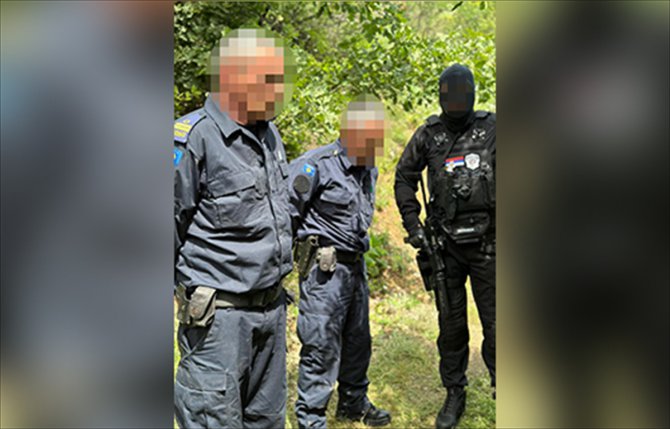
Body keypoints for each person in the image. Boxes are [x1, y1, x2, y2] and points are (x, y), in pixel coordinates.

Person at [173, 28, 296, 429]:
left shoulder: (269, 133)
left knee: (267, 419)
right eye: (269, 80)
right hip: (218, 324)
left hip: (271, 313)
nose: (279, 90)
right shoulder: (192, 139)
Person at [394, 64, 496, 429]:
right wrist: (413, 226)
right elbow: (404, 177)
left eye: (461, 94)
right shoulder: (429, 134)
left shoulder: (492, 128)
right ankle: (455, 391)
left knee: (498, 325)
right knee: (451, 327)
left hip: (489, 245)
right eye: (449, 95)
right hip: (445, 248)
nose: (456, 101)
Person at [289, 95, 392, 428]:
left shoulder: (369, 167)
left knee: (359, 339)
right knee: (321, 344)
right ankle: (311, 418)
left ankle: (353, 402)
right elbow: (286, 215)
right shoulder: (315, 165)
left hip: (355, 267)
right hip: (324, 271)